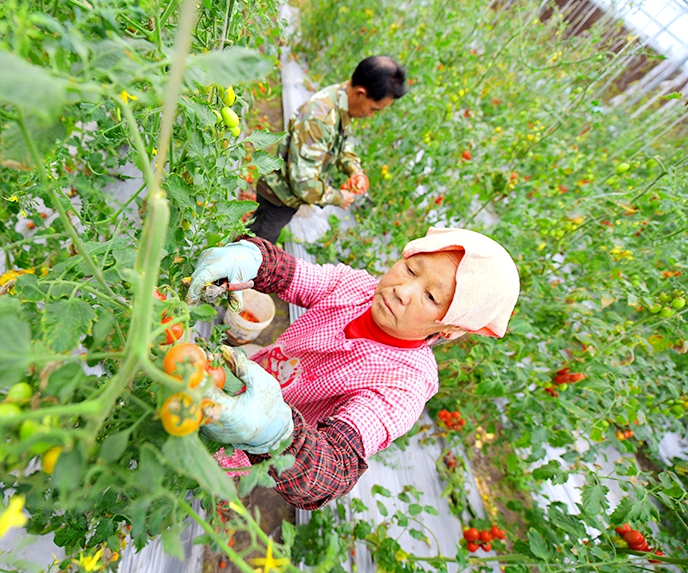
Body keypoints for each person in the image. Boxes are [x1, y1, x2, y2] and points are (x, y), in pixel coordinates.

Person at [185, 227, 520, 510]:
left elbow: (332, 468)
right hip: (226, 379)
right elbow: (289, 273)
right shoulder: (356, 289)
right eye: (411, 270)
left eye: (431, 297)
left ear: (449, 327)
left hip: (240, 448)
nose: (402, 291)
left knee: (178, 462)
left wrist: (274, 435)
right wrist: (252, 260)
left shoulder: (405, 386)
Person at [249, 56, 407, 244]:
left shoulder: (342, 103)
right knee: (253, 251)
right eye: (373, 109)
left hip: (287, 197)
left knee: (255, 244)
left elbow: (342, 144)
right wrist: (339, 198)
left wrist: (354, 170)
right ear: (360, 93)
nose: (371, 115)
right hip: (277, 199)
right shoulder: (319, 119)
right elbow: (303, 184)